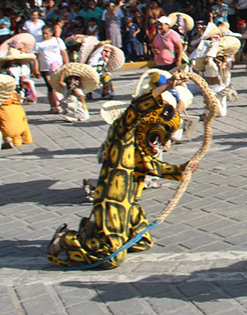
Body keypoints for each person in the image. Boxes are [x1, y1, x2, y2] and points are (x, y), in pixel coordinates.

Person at [48, 75, 199, 269]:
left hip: (130, 202)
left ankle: (94, 232)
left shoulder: (139, 147)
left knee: (142, 242)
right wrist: (167, 86)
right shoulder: (123, 133)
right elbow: (136, 109)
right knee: (112, 258)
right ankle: (67, 240)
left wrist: (182, 170)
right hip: (113, 202)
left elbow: (153, 166)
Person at [35, 26, 68, 114]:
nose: (44, 35)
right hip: (45, 68)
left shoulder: (57, 40)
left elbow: (64, 53)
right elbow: (36, 57)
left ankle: (62, 104)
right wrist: (36, 69)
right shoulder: (39, 43)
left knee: (60, 86)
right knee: (50, 87)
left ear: (51, 33)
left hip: (58, 66)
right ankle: (53, 106)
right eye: (43, 33)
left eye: (46, 33)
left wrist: (67, 64)